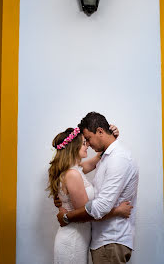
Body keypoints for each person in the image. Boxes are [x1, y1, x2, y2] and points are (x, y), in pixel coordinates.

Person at [56, 112, 139, 264]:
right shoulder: (102, 160)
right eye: (84, 141)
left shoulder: (117, 158)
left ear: (100, 131)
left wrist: (67, 216)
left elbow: (100, 207)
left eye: (88, 139)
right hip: (98, 240)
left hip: (110, 239)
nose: (87, 144)